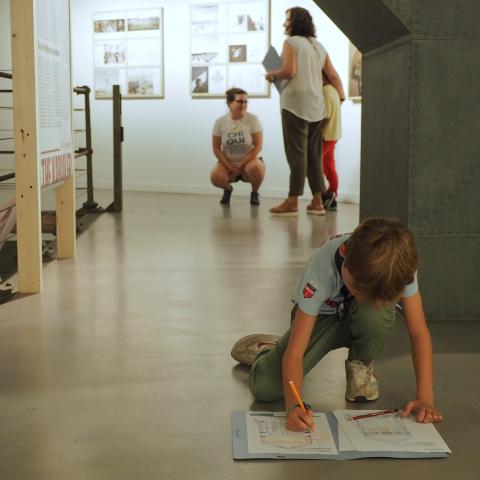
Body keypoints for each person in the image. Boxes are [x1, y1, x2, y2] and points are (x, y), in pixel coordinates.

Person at [231, 217, 443, 431]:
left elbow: (419, 334)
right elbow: (295, 353)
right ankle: (271, 352)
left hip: (363, 321)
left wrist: (425, 398)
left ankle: (360, 365)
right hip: (321, 320)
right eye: (358, 289)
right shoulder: (320, 273)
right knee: (266, 389)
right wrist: (294, 406)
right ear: (343, 252)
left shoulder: (397, 267)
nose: (361, 298)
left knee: (372, 312)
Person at [265, 7, 345, 216]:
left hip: (295, 105)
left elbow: (290, 71)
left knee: (296, 155)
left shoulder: (291, 43)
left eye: (287, 19)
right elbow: (334, 75)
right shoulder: (318, 46)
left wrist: (272, 74)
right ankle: (318, 201)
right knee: (314, 155)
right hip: (317, 106)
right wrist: (341, 98)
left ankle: (292, 201)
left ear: (295, 22)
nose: (284, 24)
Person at [211, 87, 265, 205]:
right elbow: (216, 148)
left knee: (257, 168)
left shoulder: (253, 119)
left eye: (246, 101)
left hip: (248, 162)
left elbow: (257, 147)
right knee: (216, 177)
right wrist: (228, 166)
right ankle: (227, 189)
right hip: (228, 163)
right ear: (230, 103)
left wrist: (241, 164)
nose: (244, 104)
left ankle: (254, 193)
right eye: (240, 101)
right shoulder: (220, 122)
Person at [321, 72, 342, 211]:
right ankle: (332, 196)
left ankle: (325, 196)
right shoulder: (334, 91)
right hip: (333, 134)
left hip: (325, 135)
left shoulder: (325, 91)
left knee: (313, 166)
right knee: (328, 165)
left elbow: (326, 115)